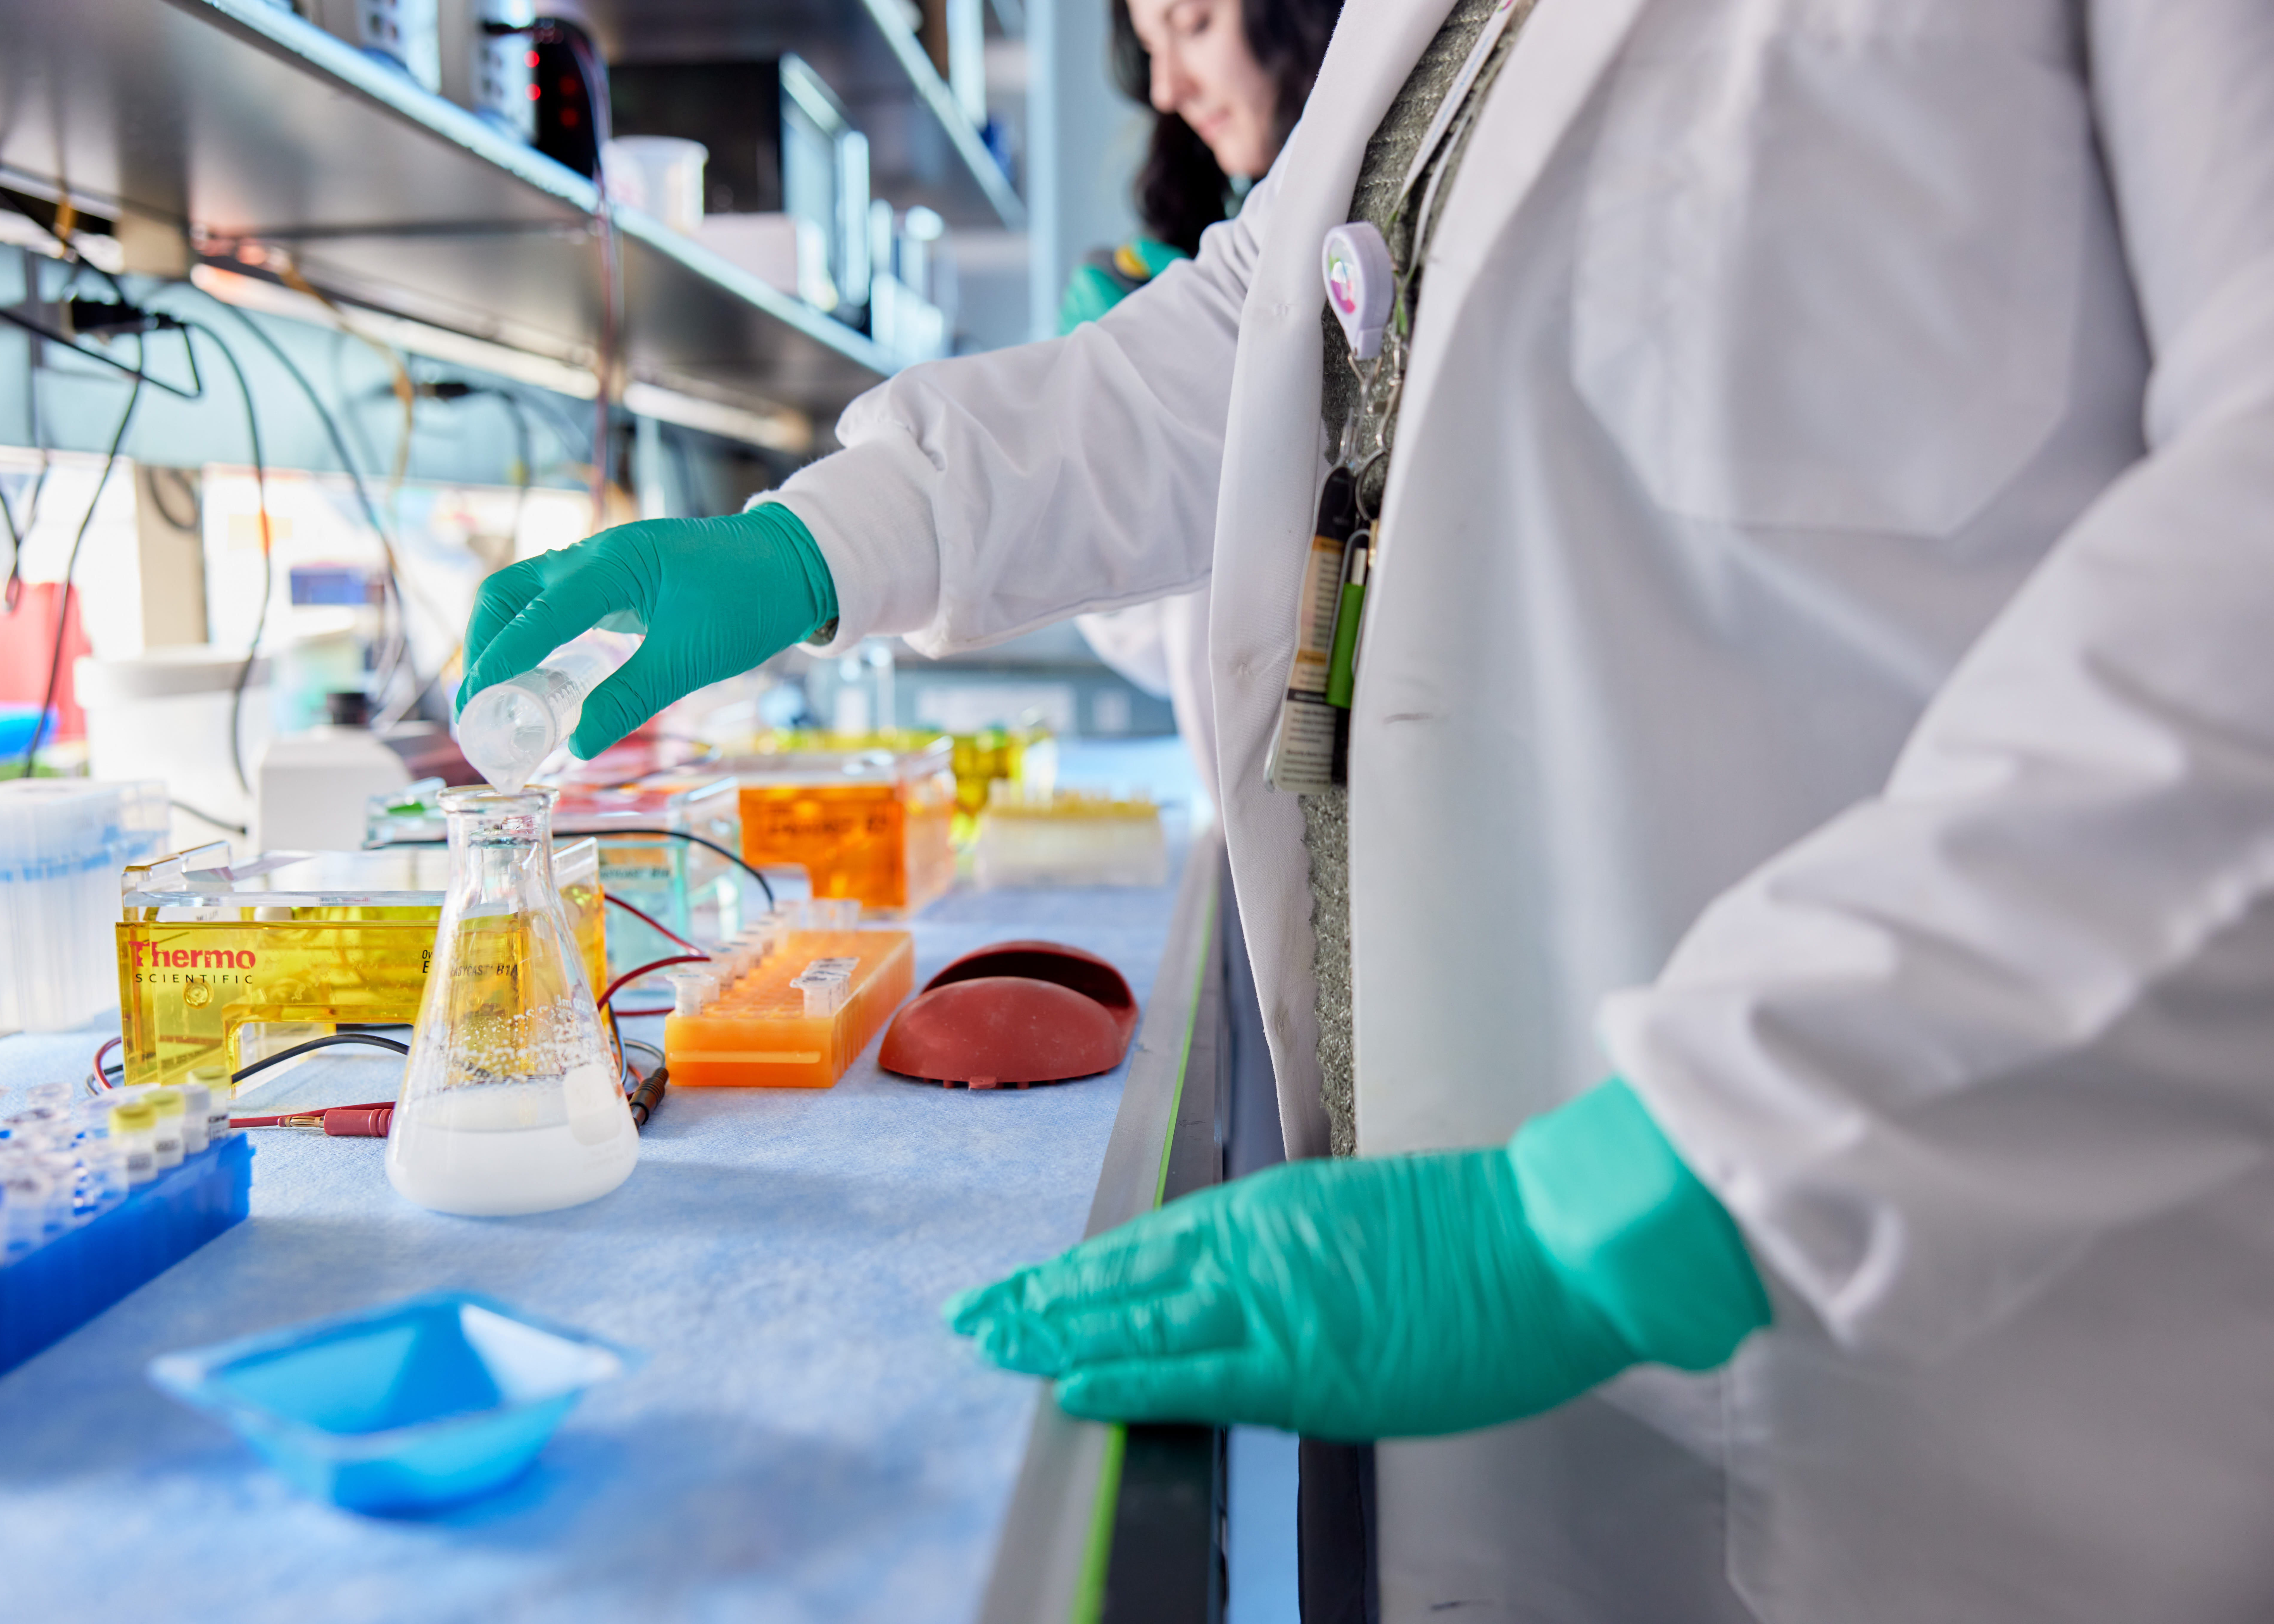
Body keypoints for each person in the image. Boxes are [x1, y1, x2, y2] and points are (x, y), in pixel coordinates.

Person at [456, 1, 2274, 1618]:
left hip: (1939, 1342)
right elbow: (1268, 325)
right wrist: (824, 538)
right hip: (1478, 1291)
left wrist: (1679, 1177)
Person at [1068, 0, 1340, 808]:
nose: (1165, 88)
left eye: (1193, 24)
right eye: (1151, 47)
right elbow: (1166, 639)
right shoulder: (1249, 249)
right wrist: (1116, 448)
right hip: (1276, 820)